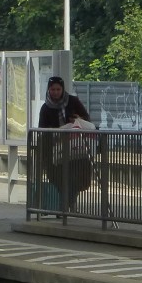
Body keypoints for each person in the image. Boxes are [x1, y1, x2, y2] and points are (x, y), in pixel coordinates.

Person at [38, 76, 92, 212]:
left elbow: (86, 118)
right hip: (55, 150)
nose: (55, 92)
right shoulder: (45, 108)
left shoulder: (72, 102)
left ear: (62, 89)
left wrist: (77, 119)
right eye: (52, 89)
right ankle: (63, 206)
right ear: (48, 90)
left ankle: (70, 203)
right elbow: (42, 129)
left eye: (58, 89)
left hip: (75, 148)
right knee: (58, 178)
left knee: (77, 178)